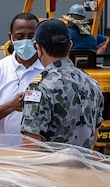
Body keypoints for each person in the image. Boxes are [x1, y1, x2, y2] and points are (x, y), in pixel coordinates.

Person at [20, 18, 104, 149]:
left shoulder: (39, 88)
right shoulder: (92, 84)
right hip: (83, 167)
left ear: (39, 48)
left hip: (50, 168)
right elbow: (93, 137)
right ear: (70, 46)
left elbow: (30, 146)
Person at [0, 12, 44, 146]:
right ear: (10, 37)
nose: (25, 41)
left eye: (31, 36)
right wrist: (11, 106)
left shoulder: (49, 70)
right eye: (19, 36)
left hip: (43, 159)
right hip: (8, 157)